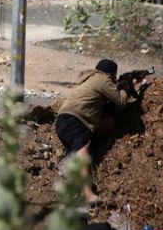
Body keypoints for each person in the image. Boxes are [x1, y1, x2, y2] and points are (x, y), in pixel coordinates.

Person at [54, 59, 133, 205]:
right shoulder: (103, 79)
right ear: (112, 75)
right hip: (74, 121)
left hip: (66, 120)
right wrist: (124, 88)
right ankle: (88, 195)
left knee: (109, 122)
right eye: (114, 77)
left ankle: (72, 157)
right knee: (83, 154)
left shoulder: (90, 78)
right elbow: (121, 103)